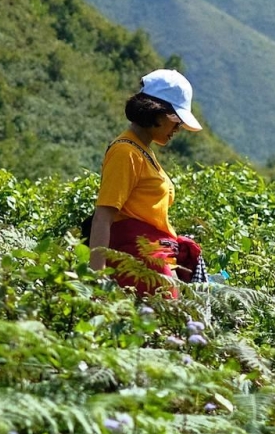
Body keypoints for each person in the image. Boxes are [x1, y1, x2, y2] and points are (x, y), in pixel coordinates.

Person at [84, 70, 204, 297]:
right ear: (157, 113)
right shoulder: (125, 152)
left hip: (154, 258)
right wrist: (96, 276)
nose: (177, 129)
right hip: (138, 260)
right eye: (176, 121)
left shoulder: (143, 150)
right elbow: (104, 216)